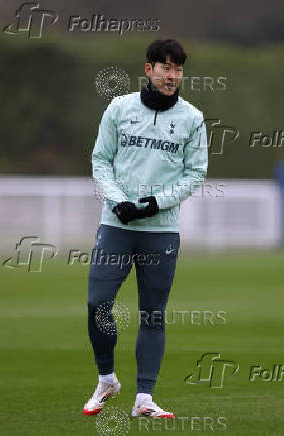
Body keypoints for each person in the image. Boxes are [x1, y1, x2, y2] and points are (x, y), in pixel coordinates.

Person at [83, 38, 208, 418]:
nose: (172, 76)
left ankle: (144, 399)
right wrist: (118, 200)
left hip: (161, 230)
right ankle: (107, 379)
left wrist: (154, 204)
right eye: (165, 67)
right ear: (148, 68)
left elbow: (196, 173)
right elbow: (101, 159)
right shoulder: (119, 108)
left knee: (153, 313)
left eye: (178, 69)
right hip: (116, 224)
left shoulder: (193, 118)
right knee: (97, 303)